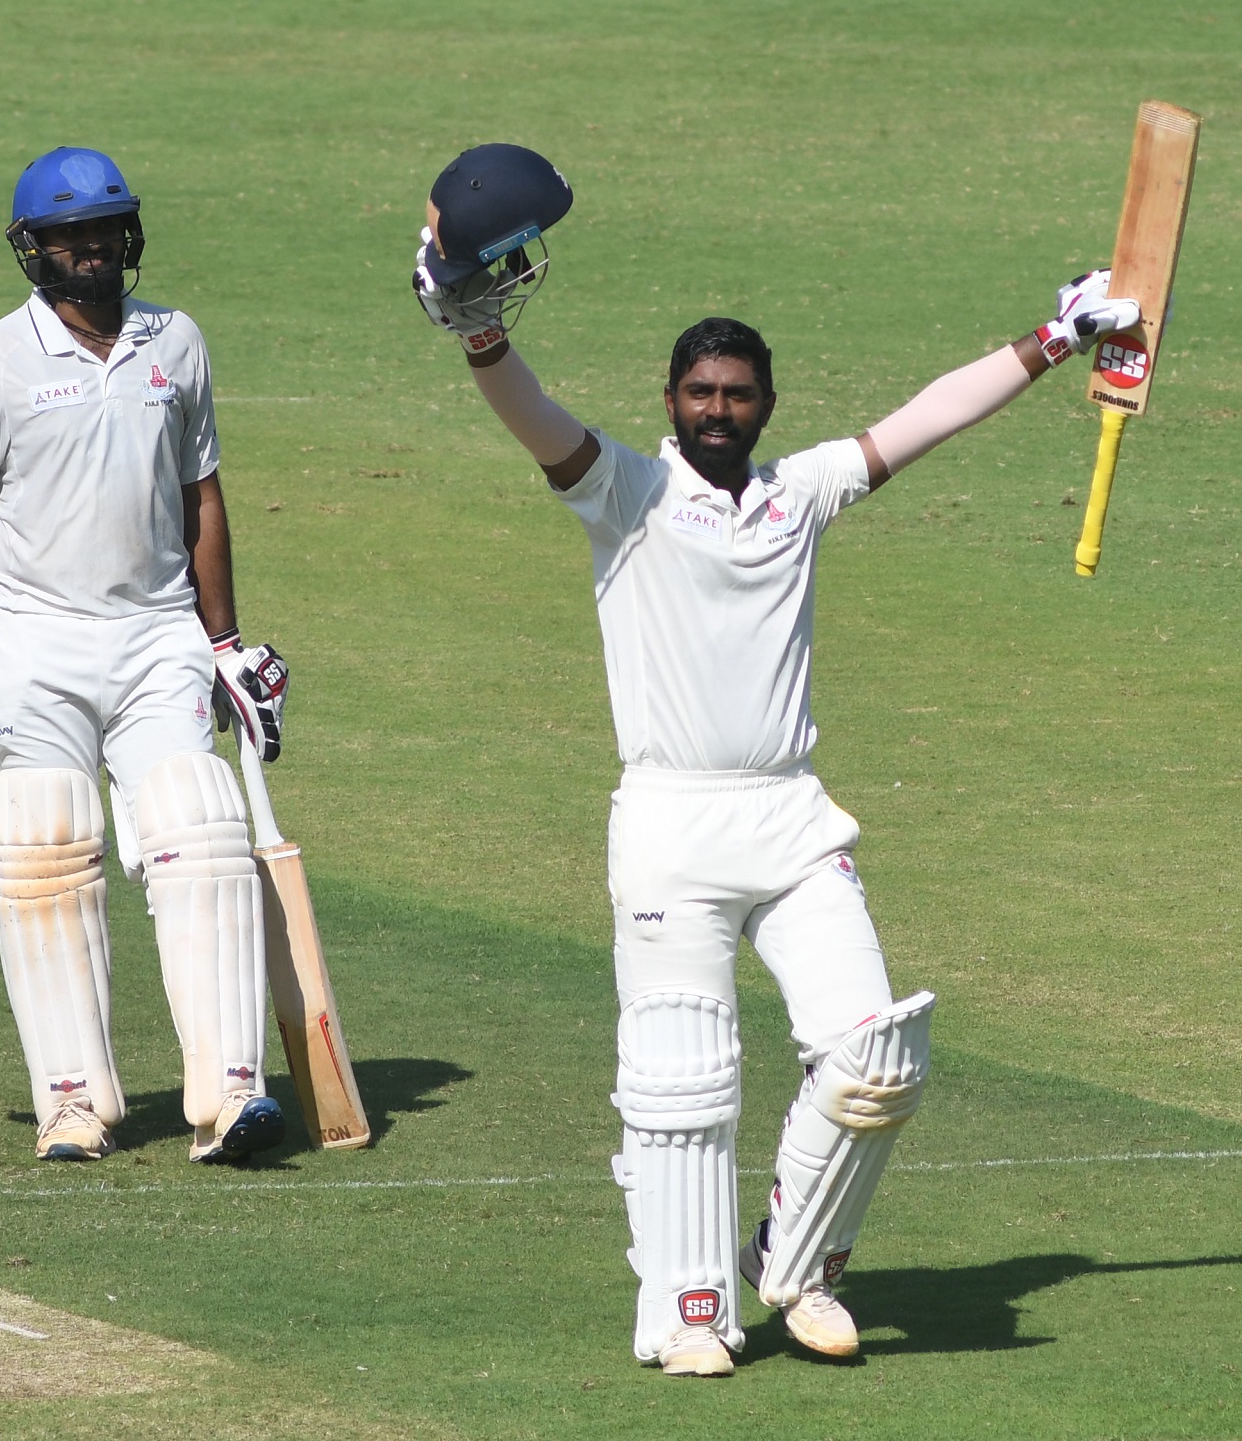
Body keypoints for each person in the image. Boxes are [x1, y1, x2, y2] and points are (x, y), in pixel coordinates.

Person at [411, 143, 1140, 1376]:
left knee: (873, 1056)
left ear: (763, 403)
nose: (716, 410)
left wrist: (1054, 335)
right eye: (698, 392)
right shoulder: (625, 493)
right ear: (670, 398)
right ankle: (688, 1309)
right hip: (670, 822)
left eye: (736, 395)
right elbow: (534, 419)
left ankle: (794, 1271)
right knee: (684, 1085)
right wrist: (480, 339)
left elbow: (920, 417)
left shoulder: (795, 496)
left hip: (791, 819)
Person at [0, 147, 290, 1166]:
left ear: (126, 237)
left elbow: (202, 497)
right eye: (67, 238)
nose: (88, 253)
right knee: (44, 843)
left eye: (103, 234)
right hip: (33, 641)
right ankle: (76, 1104)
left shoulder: (175, 341)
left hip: (155, 634)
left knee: (199, 823)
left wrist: (223, 641)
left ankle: (228, 1093)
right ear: (33, 249)